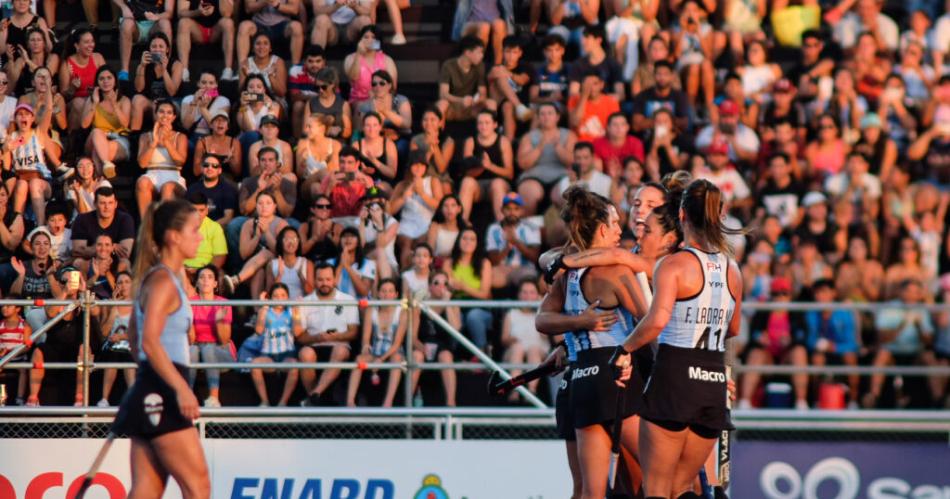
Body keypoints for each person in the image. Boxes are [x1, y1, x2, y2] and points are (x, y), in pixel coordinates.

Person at [615, 179, 742, 498]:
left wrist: (624, 347)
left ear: (682, 215)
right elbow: (734, 328)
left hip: (674, 378)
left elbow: (656, 321)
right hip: (712, 381)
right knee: (684, 488)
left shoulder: (672, 265)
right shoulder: (733, 270)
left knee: (656, 488)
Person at [110, 199, 210, 498]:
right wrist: (179, 388)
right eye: (195, 230)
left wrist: (147, 381)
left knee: (147, 491)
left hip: (152, 386)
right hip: (164, 390)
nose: (200, 237)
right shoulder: (163, 280)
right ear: (173, 236)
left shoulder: (161, 278)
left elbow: (134, 336)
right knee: (198, 487)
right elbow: (148, 340)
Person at [737, 276, 809, 410]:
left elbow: (802, 337)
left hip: (787, 357)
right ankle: (745, 402)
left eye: (784, 293)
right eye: (776, 294)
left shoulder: (797, 313)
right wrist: (760, 338)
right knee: (756, 354)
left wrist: (790, 340)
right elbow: (754, 334)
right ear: (771, 295)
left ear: (790, 296)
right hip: (768, 357)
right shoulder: (762, 312)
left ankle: (801, 402)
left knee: (799, 352)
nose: (780, 297)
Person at [298, 262, 361, 406]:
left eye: (328, 279)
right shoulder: (305, 302)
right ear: (314, 280)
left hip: (339, 346)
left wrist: (335, 337)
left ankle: (315, 394)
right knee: (305, 353)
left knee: (340, 350)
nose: (324, 283)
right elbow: (300, 337)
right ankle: (315, 400)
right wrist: (317, 338)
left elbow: (353, 333)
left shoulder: (347, 300)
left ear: (334, 280)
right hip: (314, 345)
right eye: (320, 280)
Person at [346, 277, 406, 407]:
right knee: (359, 359)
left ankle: (388, 402)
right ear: (378, 294)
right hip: (375, 351)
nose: (387, 295)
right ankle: (350, 402)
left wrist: (381, 359)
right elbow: (366, 339)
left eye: (390, 291)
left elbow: (397, 343)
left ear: (396, 295)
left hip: (393, 352)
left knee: (397, 359)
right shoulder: (371, 310)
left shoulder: (402, 312)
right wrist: (366, 347)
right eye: (383, 291)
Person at [515, 102, 575, 215]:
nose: (546, 117)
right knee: (529, 193)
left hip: (561, 176)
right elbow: (523, 164)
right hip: (533, 176)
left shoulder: (568, 135)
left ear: (557, 117)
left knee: (565, 194)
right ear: (538, 117)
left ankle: (563, 229)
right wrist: (540, 146)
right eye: (542, 114)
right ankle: (528, 229)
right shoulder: (529, 137)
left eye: (550, 113)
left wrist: (558, 147)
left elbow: (572, 161)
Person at [411, 270, 460, 406]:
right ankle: (407, 400)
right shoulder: (420, 306)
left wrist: (447, 303)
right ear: (429, 287)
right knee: (416, 356)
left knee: (446, 357)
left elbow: (455, 330)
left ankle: (451, 402)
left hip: (444, 346)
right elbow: (413, 337)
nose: (441, 286)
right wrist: (422, 348)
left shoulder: (452, 305)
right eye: (436, 283)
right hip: (422, 345)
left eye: (445, 283)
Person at [251, 283, 303, 406]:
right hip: (268, 355)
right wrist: (263, 306)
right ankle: (264, 401)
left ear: (288, 297)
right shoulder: (265, 311)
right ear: (271, 298)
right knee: (254, 365)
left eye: (283, 295)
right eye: (275, 296)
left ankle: (283, 403)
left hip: (287, 354)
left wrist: (297, 311)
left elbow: (297, 332)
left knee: (295, 367)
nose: (279, 299)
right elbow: (258, 330)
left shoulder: (291, 311)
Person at [187, 265, 233, 408]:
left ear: (215, 284)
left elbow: (224, 340)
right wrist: (189, 320)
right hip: (197, 348)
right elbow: (191, 340)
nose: (206, 280)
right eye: (202, 277)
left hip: (221, 350)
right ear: (197, 283)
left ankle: (214, 398)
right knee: (193, 350)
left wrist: (218, 321)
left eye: (210, 277)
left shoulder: (223, 303)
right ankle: (187, 396)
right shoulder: (190, 302)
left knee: (208, 348)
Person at [136, 99, 188, 219]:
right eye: (161, 112)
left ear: (174, 117)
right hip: (151, 174)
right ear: (155, 114)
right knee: (142, 182)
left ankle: (165, 226)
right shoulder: (145, 136)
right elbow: (142, 164)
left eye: (169, 113)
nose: (165, 115)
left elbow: (180, 162)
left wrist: (166, 141)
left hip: (173, 175)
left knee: (167, 187)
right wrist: (154, 142)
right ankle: (146, 225)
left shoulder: (180, 137)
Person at [459, 110, 514, 221]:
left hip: (500, 184)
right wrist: (482, 166)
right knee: (467, 182)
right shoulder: (471, 142)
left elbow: (510, 173)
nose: (483, 126)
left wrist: (490, 166)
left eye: (487, 123)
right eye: (480, 123)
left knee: (497, 184)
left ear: (495, 125)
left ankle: (502, 224)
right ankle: (461, 224)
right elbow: (467, 172)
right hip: (478, 185)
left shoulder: (503, 141)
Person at [443, 227, 493, 351]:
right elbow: (447, 287)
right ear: (458, 241)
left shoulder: (484, 263)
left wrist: (464, 287)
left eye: (472, 239)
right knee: (453, 315)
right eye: (464, 238)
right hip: (456, 304)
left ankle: (481, 353)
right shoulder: (448, 263)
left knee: (473, 316)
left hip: (479, 306)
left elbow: (484, 294)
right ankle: (453, 354)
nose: (468, 242)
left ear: (477, 243)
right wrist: (455, 287)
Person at [500, 279, 549, 398]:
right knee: (518, 348)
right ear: (519, 295)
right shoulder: (511, 313)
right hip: (515, 350)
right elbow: (504, 340)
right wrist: (512, 340)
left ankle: (531, 391)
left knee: (533, 350)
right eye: (524, 292)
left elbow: (545, 336)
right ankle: (516, 389)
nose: (528, 296)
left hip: (538, 350)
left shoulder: (542, 314)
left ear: (537, 295)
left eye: (532, 292)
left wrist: (540, 308)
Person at [82, 66, 132, 178]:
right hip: (95, 138)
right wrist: (95, 103)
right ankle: (106, 164)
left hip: (118, 139)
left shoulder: (124, 100)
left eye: (109, 78)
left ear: (115, 81)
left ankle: (102, 181)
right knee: (96, 132)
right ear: (97, 82)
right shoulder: (92, 100)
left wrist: (114, 104)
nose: (106, 81)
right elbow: (84, 125)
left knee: (97, 151)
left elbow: (125, 124)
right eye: (102, 79)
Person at [70, 187, 136, 271]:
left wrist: (94, 248)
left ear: (115, 204)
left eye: (110, 203)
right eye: (102, 203)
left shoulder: (125, 219)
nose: (107, 207)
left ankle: (118, 284)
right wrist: (111, 247)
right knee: (78, 262)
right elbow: (77, 251)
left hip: (115, 261)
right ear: (95, 204)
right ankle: (86, 284)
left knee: (125, 262)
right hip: (90, 261)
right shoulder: (82, 219)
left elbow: (125, 252)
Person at [486, 192, 540, 290]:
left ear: (522, 211)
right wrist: (507, 248)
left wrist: (515, 242)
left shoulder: (531, 227)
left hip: (524, 268)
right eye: (508, 209)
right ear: (502, 210)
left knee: (528, 277)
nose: (512, 212)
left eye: (516, 209)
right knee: (488, 276)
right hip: (501, 269)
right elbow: (493, 261)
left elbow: (535, 258)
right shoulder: (493, 229)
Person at [435, 36, 497, 123]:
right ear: (468, 53)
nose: (482, 56)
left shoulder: (480, 66)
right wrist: (462, 100)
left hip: (472, 105)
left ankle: (491, 132)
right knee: (441, 104)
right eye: (479, 52)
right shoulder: (448, 65)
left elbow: (482, 93)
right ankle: (438, 133)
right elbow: (443, 94)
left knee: (491, 103)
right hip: (454, 104)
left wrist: (476, 100)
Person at [97, 271, 136, 407]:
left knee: (127, 356)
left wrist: (122, 336)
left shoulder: (138, 305)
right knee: (114, 355)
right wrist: (113, 307)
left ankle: (133, 397)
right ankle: (104, 399)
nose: (123, 285)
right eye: (120, 282)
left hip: (130, 344)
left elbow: (140, 332)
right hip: (111, 345)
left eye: (127, 282)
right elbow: (104, 332)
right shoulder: (110, 304)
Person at [131, 33, 184, 131]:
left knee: (159, 105)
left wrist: (164, 70)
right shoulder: (144, 65)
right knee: (137, 99)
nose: (157, 50)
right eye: (154, 46)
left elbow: (172, 91)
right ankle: (135, 135)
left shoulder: (176, 65)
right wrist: (142, 66)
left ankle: (159, 136)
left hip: (172, 102)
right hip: (152, 102)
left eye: (161, 46)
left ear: (167, 49)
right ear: (149, 49)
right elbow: (139, 88)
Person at [176, 0, 236, 82]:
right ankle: (184, 71)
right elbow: (181, 13)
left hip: (216, 30)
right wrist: (198, 12)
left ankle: (228, 70)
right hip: (197, 30)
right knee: (183, 23)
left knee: (228, 23)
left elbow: (227, 14)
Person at [115, 0, 175, 82]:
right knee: (126, 24)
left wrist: (157, 16)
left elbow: (169, 12)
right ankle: (124, 72)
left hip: (154, 25)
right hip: (134, 24)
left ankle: (164, 68)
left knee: (165, 23)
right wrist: (124, 7)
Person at [60, 28, 106, 131]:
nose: (91, 45)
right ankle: (73, 140)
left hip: (95, 99)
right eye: (86, 42)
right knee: (78, 103)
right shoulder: (67, 64)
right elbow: (63, 95)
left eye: (92, 41)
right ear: (77, 46)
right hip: (74, 102)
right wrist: (72, 88)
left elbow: (108, 79)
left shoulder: (98, 58)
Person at [343, 26, 398, 108]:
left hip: (382, 99)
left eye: (373, 37)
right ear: (360, 40)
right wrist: (358, 54)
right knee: (363, 106)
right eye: (366, 37)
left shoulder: (387, 59)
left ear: (378, 42)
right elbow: (353, 78)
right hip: (359, 100)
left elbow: (393, 87)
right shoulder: (350, 58)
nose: (370, 40)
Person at [236, 0, 304, 65]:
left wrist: (277, 4)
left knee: (296, 27)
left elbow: (294, 9)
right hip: (259, 24)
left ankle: (295, 69)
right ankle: (242, 67)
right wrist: (265, 2)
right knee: (244, 26)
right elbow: (249, 8)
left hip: (282, 24)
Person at [180, 71, 231, 142]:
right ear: (198, 83)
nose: (207, 86)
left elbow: (218, 127)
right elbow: (186, 126)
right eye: (204, 82)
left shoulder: (223, 101)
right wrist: (194, 102)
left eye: (211, 83)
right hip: (192, 136)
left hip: (213, 137)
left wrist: (203, 108)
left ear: (216, 85)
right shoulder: (188, 99)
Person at [182, 192, 228, 273]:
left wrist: (202, 271)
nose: (198, 214)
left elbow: (220, 256)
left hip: (205, 270)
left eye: (201, 210)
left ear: (207, 210)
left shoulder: (215, 227)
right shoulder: (178, 226)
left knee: (219, 275)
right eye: (194, 210)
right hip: (182, 270)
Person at [265, 226, 313, 299]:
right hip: (280, 308)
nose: (291, 242)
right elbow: (268, 296)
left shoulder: (306, 263)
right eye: (287, 239)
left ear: (298, 242)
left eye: (294, 239)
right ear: (281, 242)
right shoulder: (272, 264)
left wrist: (301, 277)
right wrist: (279, 276)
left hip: (301, 307)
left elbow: (311, 293)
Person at [0, 297, 32, 406]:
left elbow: (27, 346)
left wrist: (13, 351)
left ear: (18, 308)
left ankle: (20, 398)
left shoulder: (24, 325)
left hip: (18, 357)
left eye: (8, 306)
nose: (5, 308)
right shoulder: (1, 324)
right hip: (2, 357)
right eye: (3, 306)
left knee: (23, 369)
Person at [193, 110, 242, 179]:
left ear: (227, 127)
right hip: (207, 177)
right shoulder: (202, 142)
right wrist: (207, 158)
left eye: (224, 121)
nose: (220, 123)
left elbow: (237, 172)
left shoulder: (234, 142)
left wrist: (231, 160)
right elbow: (196, 172)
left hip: (226, 179)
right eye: (217, 120)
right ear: (211, 125)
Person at [238, 32, 287, 99]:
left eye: (265, 43)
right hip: (252, 100)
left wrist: (271, 76)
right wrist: (247, 77)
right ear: (253, 48)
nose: (261, 47)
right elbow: (241, 92)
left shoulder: (277, 62)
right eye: (258, 44)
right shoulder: (245, 63)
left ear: (270, 48)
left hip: (275, 100)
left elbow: (282, 93)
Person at [299, 194, 342, 263]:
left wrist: (330, 236)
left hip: (330, 264)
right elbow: (301, 251)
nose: (324, 209)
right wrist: (314, 238)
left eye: (328, 207)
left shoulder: (337, 227)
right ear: (312, 209)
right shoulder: (305, 226)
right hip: (309, 263)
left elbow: (342, 249)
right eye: (320, 206)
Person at [427, 195, 467, 263]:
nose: (449, 209)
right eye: (445, 206)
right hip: (438, 265)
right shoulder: (435, 227)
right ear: (441, 209)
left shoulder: (465, 228)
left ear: (459, 209)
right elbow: (430, 252)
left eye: (453, 205)